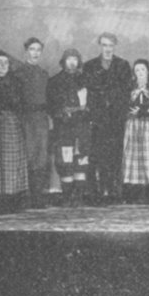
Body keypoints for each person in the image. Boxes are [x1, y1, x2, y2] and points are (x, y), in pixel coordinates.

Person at [83, 32, 132, 204]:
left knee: (115, 155)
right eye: (104, 45)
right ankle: (97, 192)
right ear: (100, 46)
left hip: (116, 119)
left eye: (110, 45)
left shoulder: (123, 65)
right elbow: (89, 94)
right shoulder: (90, 66)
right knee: (97, 155)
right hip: (98, 120)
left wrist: (119, 113)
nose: (107, 49)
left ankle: (113, 192)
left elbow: (126, 93)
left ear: (115, 46)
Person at [47, 49, 91, 206]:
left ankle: (78, 198)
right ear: (63, 61)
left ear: (78, 62)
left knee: (81, 161)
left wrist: (84, 108)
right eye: (69, 59)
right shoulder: (54, 81)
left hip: (82, 127)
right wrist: (62, 113)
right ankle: (67, 196)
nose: (72, 63)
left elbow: (93, 104)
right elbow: (51, 106)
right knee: (65, 162)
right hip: (64, 129)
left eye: (75, 59)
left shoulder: (86, 80)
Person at [0, 51, 29, 213]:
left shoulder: (15, 82)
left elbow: (19, 103)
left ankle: (14, 197)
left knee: (12, 161)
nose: (2, 66)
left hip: (11, 122)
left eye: (5, 63)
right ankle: (0, 197)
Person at [14, 37, 50, 208]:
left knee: (41, 156)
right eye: (32, 49)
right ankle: (25, 196)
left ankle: (38, 196)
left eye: (38, 50)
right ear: (26, 51)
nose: (35, 53)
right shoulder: (18, 73)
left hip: (41, 119)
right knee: (27, 155)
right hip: (26, 118)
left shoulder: (44, 74)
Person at [121, 59, 149, 203]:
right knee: (133, 156)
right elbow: (125, 106)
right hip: (133, 126)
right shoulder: (129, 89)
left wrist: (144, 111)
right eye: (137, 70)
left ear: (148, 72)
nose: (140, 73)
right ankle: (133, 192)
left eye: (143, 70)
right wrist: (137, 111)